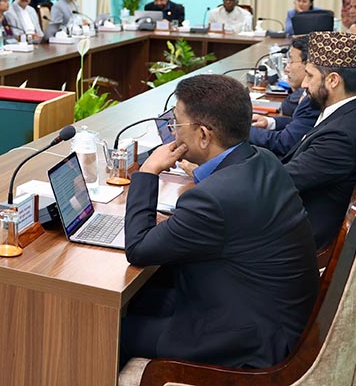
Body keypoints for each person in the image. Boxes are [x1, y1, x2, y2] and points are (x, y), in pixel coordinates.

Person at [121, 74, 318, 369]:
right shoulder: (263, 159)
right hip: (271, 313)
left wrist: (148, 172)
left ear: (204, 135)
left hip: (249, 340)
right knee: (140, 298)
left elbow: (138, 249)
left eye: (176, 124)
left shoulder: (213, 199)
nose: (173, 134)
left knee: (112, 328)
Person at [281, 31, 356, 249]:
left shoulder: (342, 136)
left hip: (300, 235)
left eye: (310, 76)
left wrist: (226, 169)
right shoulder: (348, 113)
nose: (304, 84)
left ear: (333, 80)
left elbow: (284, 180)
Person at [248, 35, 320, 156]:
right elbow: (299, 124)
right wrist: (269, 122)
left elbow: (284, 143)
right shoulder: (308, 94)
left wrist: (242, 131)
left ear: (308, 64)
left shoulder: (315, 97)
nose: (286, 69)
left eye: (291, 62)